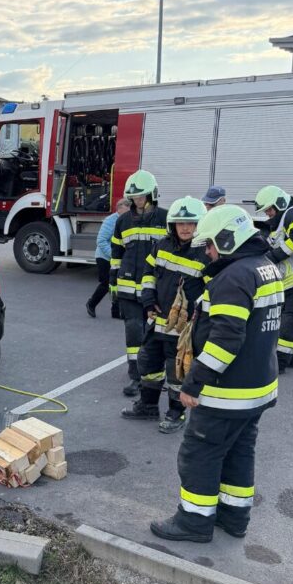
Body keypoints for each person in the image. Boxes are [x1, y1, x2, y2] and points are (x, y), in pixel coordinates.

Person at [150, 205, 283, 543]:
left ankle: (193, 523)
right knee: (239, 453)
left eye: (210, 244)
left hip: (228, 393)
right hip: (257, 388)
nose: (207, 251)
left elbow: (225, 340)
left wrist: (193, 382)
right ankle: (234, 517)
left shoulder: (233, 278)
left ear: (227, 239)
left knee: (199, 453)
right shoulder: (265, 267)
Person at [122, 196, 209, 433]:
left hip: (182, 328)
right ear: (172, 224)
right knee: (148, 364)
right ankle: (148, 406)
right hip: (156, 322)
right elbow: (148, 273)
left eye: (191, 223)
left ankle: (176, 413)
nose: (185, 227)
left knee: (177, 372)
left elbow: (213, 292)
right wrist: (148, 300)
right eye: (180, 223)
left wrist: (195, 311)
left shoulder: (206, 254)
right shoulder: (162, 245)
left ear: (200, 225)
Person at [110, 170, 168, 396]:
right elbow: (116, 254)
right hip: (128, 288)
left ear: (152, 195)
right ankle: (136, 376)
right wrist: (113, 285)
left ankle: (155, 374)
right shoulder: (122, 221)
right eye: (134, 197)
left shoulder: (165, 219)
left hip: (154, 289)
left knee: (155, 333)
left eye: (141, 196)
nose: (137, 201)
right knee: (134, 333)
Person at [254, 185, 293, 372]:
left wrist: (274, 256)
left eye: (269, 209)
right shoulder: (280, 222)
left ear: (280, 203)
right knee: (291, 320)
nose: (268, 214)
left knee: (290, 321)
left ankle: (279, 363)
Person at [86, 197, 129, 318]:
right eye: (126, 212)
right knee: (106, 283)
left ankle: (115, 312)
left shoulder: (126, 220)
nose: (128, 215)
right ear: (119, 210)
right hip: (104, 257)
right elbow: (101, 241)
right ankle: (91, 304)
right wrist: (113, 255)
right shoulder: (110, 221)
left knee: (117, 284)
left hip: (118, 258)